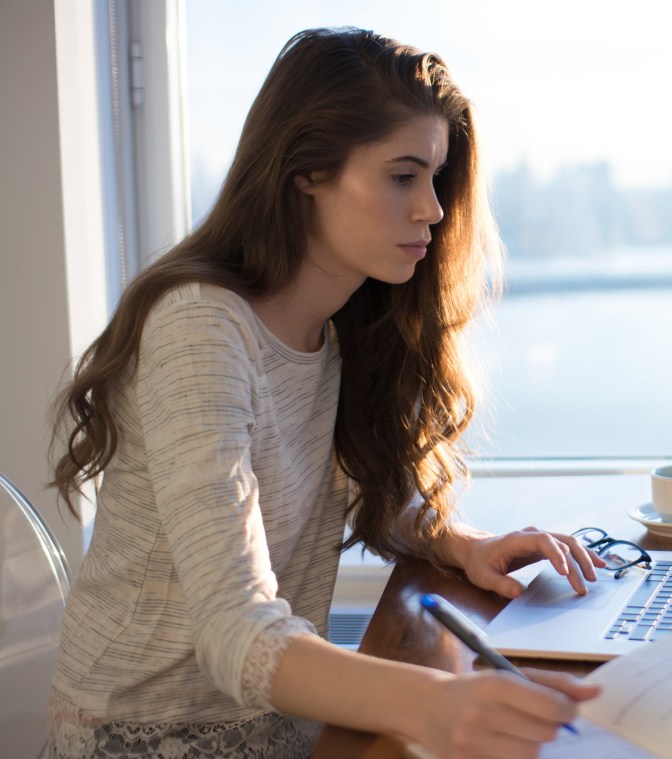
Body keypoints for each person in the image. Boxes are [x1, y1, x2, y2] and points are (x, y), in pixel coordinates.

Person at [46, 27, 606, 759]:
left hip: (280, 727)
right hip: (135, 738)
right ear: (307, 171)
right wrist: (436, 704)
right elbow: (236, 631)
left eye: (435, 178)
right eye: (403, 176)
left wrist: (464, 544)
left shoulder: (342, 324)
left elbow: (357, 487)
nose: (433, 210)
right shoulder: (199, 330)